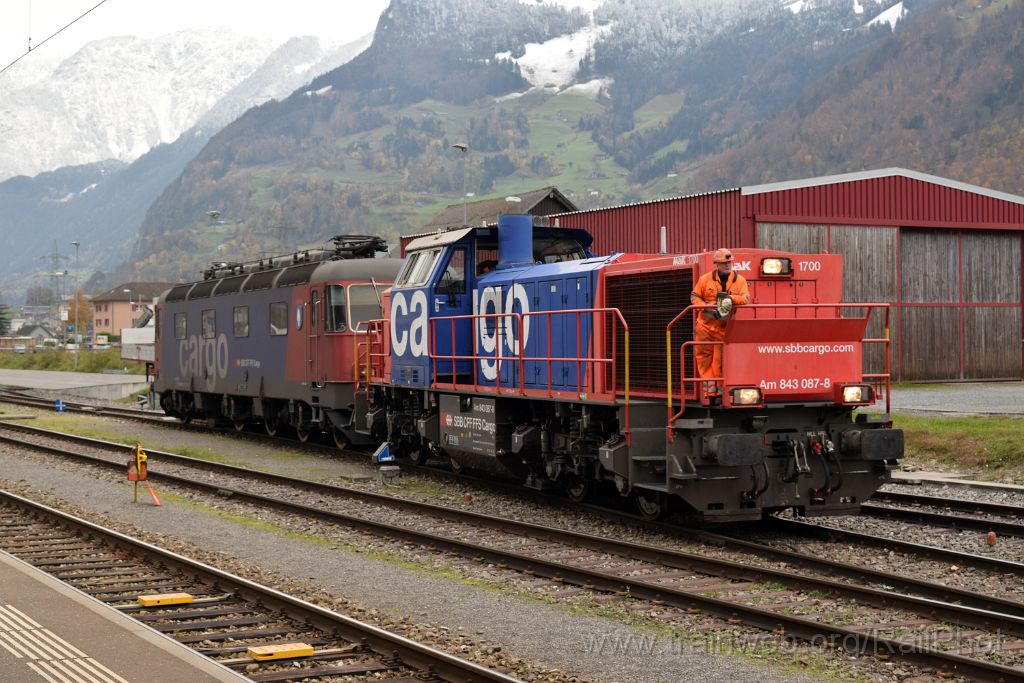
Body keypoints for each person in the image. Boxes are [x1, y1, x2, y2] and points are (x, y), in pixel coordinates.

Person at [689, 248, 750, 400]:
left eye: (729, 262)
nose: (727, 265)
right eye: (724, 263)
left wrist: (731, 299)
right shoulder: (705, 279)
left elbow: (746, 298)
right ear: (716, 264)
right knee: (704, 360)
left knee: (720, 362)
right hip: (705, 327)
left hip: (724, 328)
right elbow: (694, 296)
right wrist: (705, 305)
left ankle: (721, 392)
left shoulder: (740, 280)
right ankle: (710, 394)